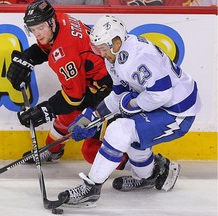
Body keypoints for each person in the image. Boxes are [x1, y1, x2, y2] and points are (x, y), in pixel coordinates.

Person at [57, 15, 201, 206]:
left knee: (119, 130)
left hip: (178, 111)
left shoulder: (138, 57)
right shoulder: (115, 56)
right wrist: (94, 116)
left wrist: (132, 104)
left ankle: (91, 187)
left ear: (116, 42)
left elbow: (162, 94)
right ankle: (148, 177)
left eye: (103, 48)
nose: (101, 53)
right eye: (97, 48)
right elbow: (119, 95)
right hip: (161, 104)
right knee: (134, 142)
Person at [6, 0, 113, 163]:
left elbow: (75, 97)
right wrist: (28, 57)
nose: (38, 34)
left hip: (109, 90)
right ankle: (52, 151)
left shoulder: (63, 54)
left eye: (40, 28)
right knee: (67, 114)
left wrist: (44, 111)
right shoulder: (60, 20)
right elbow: (47, 46)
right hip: (95, 81)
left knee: (91, 151)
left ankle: (151, 168)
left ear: (50, 22)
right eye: (33, 30)